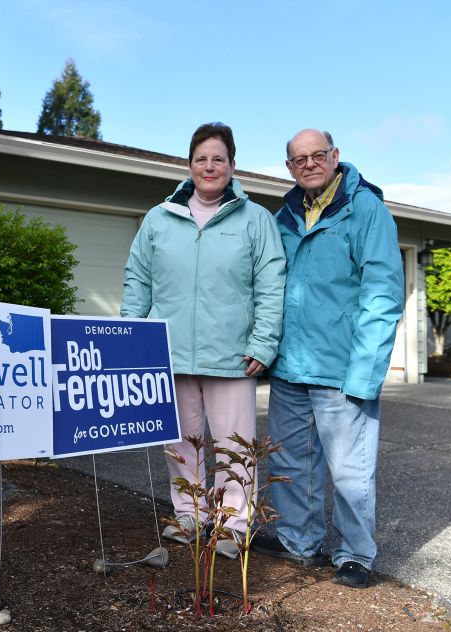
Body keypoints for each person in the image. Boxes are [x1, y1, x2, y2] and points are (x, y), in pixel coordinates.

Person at [121, 122, 286, 560]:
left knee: (235, 445)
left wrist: (264, 342)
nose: (209, 167)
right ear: (189, 165)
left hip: (233, 356)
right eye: (201, 159)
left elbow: (272, 284)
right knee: (179, 442)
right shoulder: (159, 219)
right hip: (169, 353)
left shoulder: (256, 220)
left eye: (218, 159)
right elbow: (138, 279)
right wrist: (132, 334)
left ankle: (232, 525)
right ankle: (189, 515)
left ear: (233, 166)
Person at [252, 129, 404, 588]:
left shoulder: (366, 211)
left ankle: (356, 554)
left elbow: (382, 295)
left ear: (335, 156)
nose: (309, 164)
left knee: (351, 468)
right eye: (299, 159)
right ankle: (298, 541)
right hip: (290, 366)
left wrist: (366, 372)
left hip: (342, 369)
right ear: (289, 167)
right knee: (289, 462)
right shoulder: (283, 217)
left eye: (318, 155)